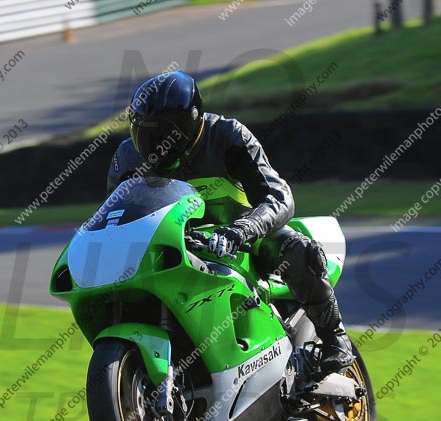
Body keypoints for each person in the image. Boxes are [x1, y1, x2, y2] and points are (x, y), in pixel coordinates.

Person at [106, 70, 354, 378]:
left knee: (297, 249)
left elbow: (278, 196)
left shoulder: (227, 136)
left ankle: (335, 340)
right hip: (173, 248)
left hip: (245, 239)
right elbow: (114, 220)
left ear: (190, 121)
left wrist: (242, 230)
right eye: (143, 132)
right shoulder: (127, 159)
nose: (153, 143)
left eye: (163, 132)